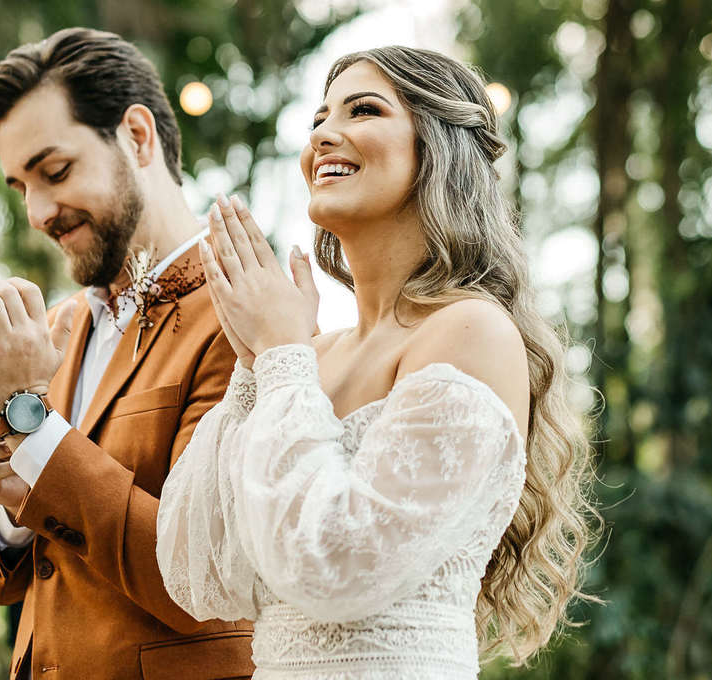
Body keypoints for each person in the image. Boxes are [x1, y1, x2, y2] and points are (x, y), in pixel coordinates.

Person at [156, 46, 598, 678]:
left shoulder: (468, 331)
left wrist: (282, 355)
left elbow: (333, 564)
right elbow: (199, 573)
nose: (322, 137)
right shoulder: (310, 358)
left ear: (438, 151)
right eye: (317, 120)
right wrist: (257, 366)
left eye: (363, 110)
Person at [0, 27, 254, 680]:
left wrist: (25, 421)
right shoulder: (55, 331)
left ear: (138, 137)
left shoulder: (249, 317)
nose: (36, 211)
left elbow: (198, 581)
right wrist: (11, 505)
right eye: (19, 186)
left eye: (54, 172)